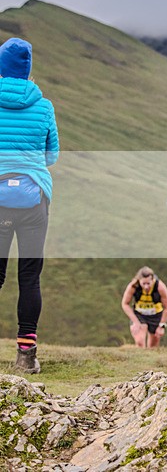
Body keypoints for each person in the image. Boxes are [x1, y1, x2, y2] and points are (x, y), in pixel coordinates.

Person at [0, 37, 59, 374]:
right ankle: (26, 355)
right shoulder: (44, 106)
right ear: (28, 69)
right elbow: (51, 156)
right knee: (29, 278)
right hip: (33, 198)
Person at [121, 266, 167, 348]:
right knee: (140, 341)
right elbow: (125, 304)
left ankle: (150, 359)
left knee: (153, 347)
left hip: (156, 315)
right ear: (139, 280)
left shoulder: (160, 287)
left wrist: (161, 326)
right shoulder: (133, 286)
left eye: (148, 283)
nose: (146, 287)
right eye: (143, 283)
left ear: (153, 280)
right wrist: (135, 321)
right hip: (139, 314)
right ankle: (139, 359)